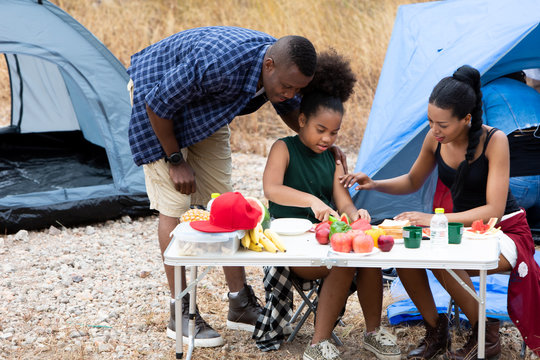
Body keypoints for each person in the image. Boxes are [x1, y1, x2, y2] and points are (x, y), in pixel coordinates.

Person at [127, 26, 323, 347]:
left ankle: (240, 304)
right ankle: (180, 313)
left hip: (205, 110)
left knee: (226, 204)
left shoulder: (280, 73)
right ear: (269, 65)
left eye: (296, 88)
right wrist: (175, 159)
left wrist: (318, 146)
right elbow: (158, 104)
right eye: (286, 86)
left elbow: (291, 108)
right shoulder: (220, 64)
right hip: (156, 98)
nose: (289, 94)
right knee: (175, 207)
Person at [340, 65, 540, 359]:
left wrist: (435, 219)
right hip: (465, 231)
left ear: (466, 119)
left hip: (504, 231)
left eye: (442, 124)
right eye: (430, 121)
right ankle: (437, 329)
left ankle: (486, 334)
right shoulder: (435, 138)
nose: (434, 130)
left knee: (440, 257)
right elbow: (412, 180)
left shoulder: (494, 140)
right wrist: (373, 183)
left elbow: (494, 210)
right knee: (407, 254)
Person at [262, 50, 401, 360]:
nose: (327, 139)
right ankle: (318, 343)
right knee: (343, 258)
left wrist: (357, 215)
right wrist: (311, 200)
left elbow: (343, 202)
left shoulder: (332, 158)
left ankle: (372, 332)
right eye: (320, 130)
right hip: (291, 247)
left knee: (368, 256)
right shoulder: (283, 149)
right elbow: (271, 189)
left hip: (325, 240)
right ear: (301, 121)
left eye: (334, 132)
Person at [482, 72, 540, 229]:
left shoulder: (485, 92)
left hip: (514, 182)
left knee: (505, 233)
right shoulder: (534, 92)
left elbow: (478, 142)